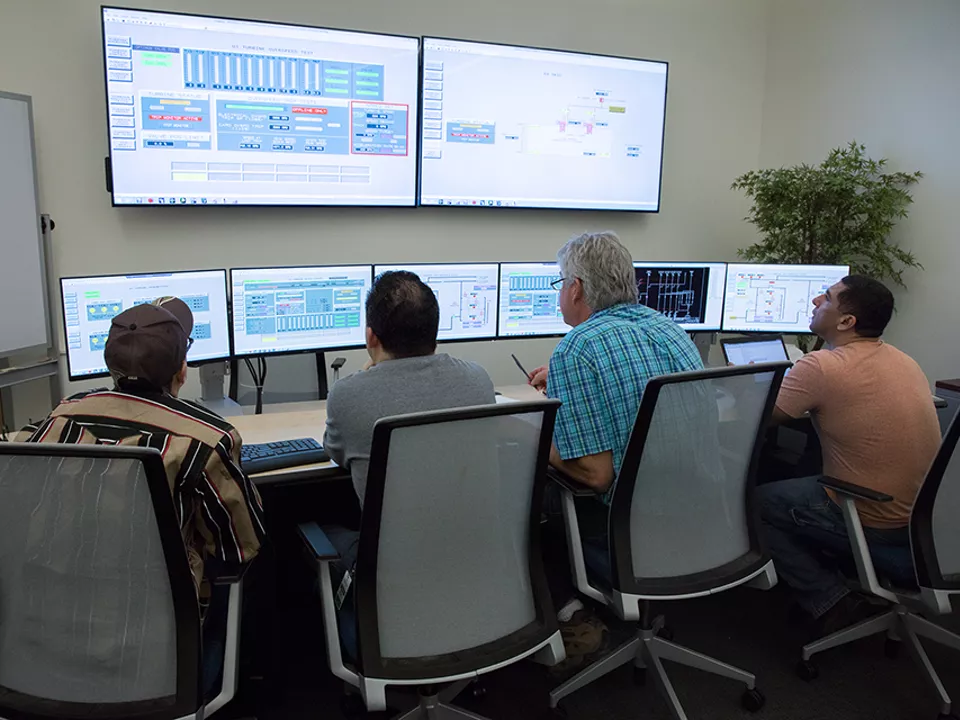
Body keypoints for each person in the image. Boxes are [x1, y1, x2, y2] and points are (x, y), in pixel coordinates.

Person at [17, 296, 265, 697]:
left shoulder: (59, 420)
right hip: (156, 653)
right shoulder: (204, 438)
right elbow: (243, 545)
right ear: (182, 371)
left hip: (43, 647)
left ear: (108, 366)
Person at [528, 232, 704, 667]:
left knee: (521, 503)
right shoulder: (669, 329)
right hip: (696, 513)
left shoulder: (578, 345)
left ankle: (569, 617)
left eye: (559, 284)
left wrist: (535, 437)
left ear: (577, 288)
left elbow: (596, 474)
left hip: (630, 524)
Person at [321, 270, 496, 657]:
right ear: (435, 331)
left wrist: (369, 373)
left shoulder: (348, 396)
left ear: (371, 337)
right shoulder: (478, 381)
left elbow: (335, 452)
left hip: (391, 582)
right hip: (471, 570)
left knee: (314, 530)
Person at [756, 275, 940, 636]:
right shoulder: (904, 360)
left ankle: (828, 597)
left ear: (846, 322)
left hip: (872, 518)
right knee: (808, 466)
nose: (814, 303)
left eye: (826, 298)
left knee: (753, 502)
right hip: (922, 522)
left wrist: (742, 383)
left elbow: (763, 416)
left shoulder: (823, 367)